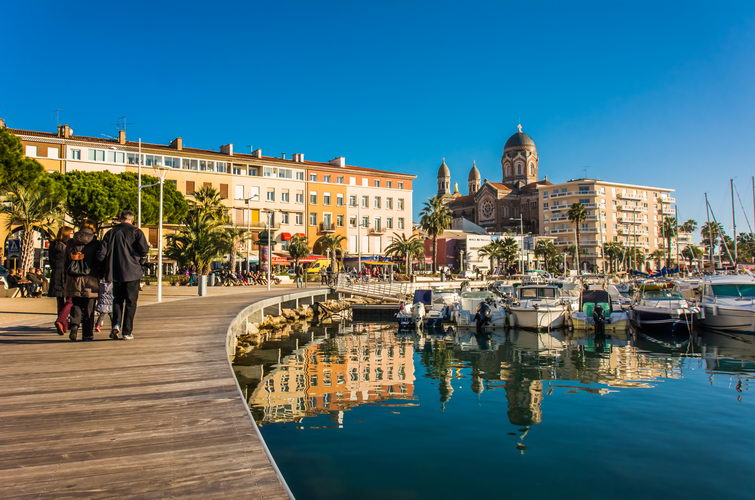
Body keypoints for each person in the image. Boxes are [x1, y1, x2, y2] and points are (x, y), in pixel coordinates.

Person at [97, 210, 149, 341]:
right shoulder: (137, 232)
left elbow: (101, 254)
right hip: (133, 272)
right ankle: (127, 331)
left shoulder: (110, 233)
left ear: (120, 219)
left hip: (116, 272)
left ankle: (116, 325)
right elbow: (143, 250)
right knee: (131, 302)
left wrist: (101, 270)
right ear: (131, 220)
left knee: (117, 300)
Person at [65, 224, 101, 341]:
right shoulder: (95, 244)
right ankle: (87, 334)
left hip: (74, 280)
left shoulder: (71, 243)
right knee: (89, 308)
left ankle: (74, 325)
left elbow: (66, 260)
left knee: (76, 304)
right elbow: (100, 260)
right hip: (90, 279)